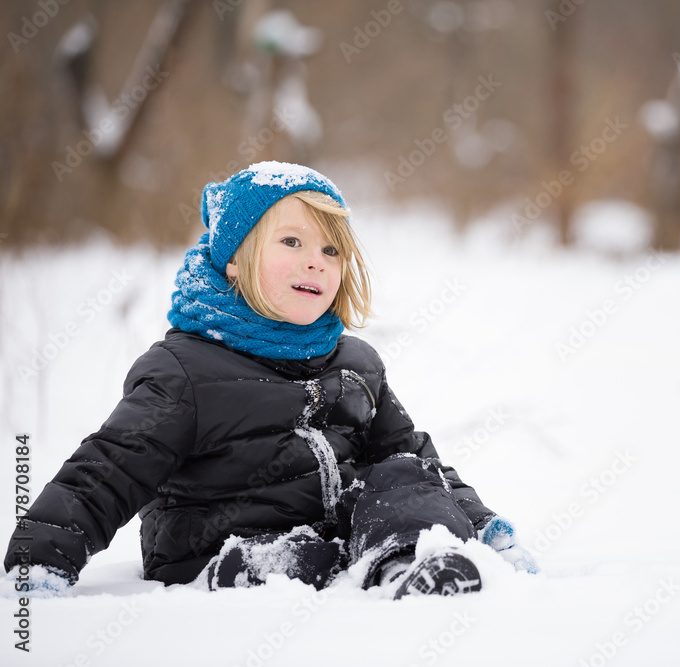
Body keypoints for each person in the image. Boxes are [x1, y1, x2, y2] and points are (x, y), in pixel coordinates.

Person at [3, 161, 536, 599]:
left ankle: (410, 568)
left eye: (331, 251)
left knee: (400, 473)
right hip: (217, 550)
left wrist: (483, 524)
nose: (316, 263)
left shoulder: (356, 363)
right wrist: (40, 562)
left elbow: (413, 456)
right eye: (291, 242)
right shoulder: (187, 370)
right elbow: (107, 470)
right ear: (234, 260)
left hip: (335, 543)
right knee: (304, 555)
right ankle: (259, 572)